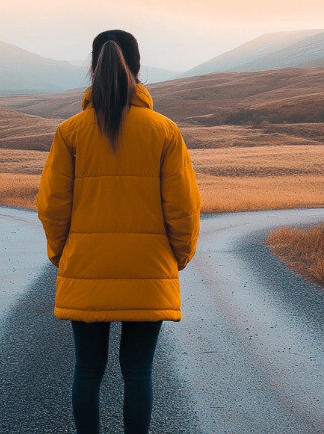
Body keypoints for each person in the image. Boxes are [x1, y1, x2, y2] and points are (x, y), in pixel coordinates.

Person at [36, 29, 201, 434]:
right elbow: (183, 209)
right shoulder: (164, 131)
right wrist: (177, 257)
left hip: (86, 266)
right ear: (139, 69)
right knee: (139, 373)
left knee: (88, 371)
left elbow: (52, 206)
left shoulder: (70, 132)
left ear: (93, 67)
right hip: (149, 270)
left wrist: (62, 255)